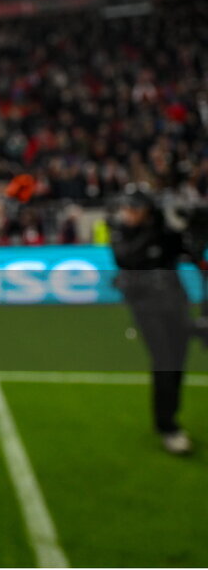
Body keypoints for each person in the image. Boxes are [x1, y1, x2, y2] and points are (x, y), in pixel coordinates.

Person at [109, 188, 200, 455]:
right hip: (146, 306)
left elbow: (190, 251)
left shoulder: (165, 231)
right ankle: (167, 426)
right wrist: (155, 229)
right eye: (127, 208)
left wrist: (184, 226)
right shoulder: (123, 231)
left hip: (175, 301)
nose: (127, 213)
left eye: (133, 208)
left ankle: (169, 416)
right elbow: (126, 258)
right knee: (164, 360)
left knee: (177, 360)